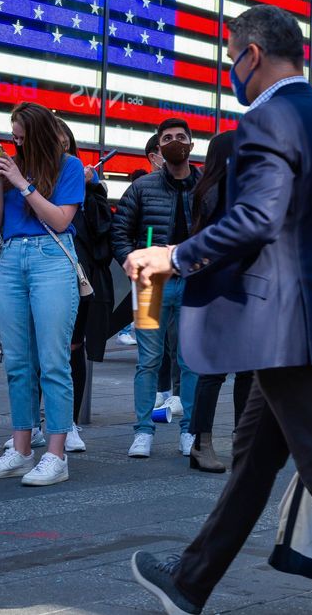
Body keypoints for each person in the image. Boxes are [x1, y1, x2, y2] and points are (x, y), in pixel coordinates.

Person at [125, 4, 312, 614]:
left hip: (286, 330)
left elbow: (256, 218)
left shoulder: (264, 122)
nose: (232, 70)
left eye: (232, 58)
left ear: (252, 55)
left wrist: (173, 256)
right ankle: (190, 580)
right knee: (253, 463)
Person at [0, 102, 86, 487]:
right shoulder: (10, 167)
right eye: (13, 136)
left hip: (51, 258)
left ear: (37, 133)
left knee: (54, 361)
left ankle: (56, 455)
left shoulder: (68, 166)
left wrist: (23, 183)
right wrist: (0, 183)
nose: (14, 142)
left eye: (21, 136)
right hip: (11, 258)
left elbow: (60, 219)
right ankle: (21, 450)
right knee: (17, 362)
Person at [113, 117, 202, 460]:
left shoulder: (205, 186)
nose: (175, 142)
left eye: (181, 137)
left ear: (191, 144)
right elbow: (120, 231)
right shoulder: (143, 187)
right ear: (159, 148)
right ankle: (143, 431)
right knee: (148, 360)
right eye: (167, 138)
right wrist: (131, 261)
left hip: (192, 282)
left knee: (190, 361)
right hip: (151, 284)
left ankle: (190, 431)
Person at [183, 131, 253, 474]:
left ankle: (243, 439)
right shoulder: (211, 191)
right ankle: (201, 443)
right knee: (214, 371)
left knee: (247, 369)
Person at [56, 120, 114, 454]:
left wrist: (93, 188)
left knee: (74, 347)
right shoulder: (32, 179)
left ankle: (71, 422)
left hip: (80, 274)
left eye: (64, 143)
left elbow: (102, 229)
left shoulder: (86, 184)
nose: (60, 148)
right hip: (43, 270)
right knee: (40, 353)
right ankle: (32, 424)